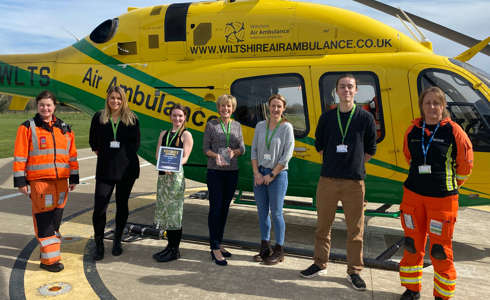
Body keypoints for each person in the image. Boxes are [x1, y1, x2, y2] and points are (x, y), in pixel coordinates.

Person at [300, 74, 377, 291]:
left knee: (355, 230)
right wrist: (336, 163)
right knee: (323, 226)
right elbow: (320, 145)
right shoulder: (327, 118)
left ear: (356, 91)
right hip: (328, 180)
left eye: (350, 87)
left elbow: (371, 150)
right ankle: (319, 263)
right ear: (336, 91)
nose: (346, 90)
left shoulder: (365, 118)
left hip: (354, 183)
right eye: (342, 87)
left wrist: (352, 164)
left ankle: (354, 271)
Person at [398, 87, 473, 300]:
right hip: (413, 197)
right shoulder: (412, 131)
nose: (432, 107)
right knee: (412, 244)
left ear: (443, 106)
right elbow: (409, 157)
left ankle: (442, 295)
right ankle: (412, 289)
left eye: (436, 103)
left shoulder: (454, 131)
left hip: (442, 201)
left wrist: (448, 185)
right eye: (428, 103)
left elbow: (465, 166)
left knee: (440, 249)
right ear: (422, 106)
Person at [13, 90, 79, 272]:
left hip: (61, 183)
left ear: (54, 106)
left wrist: (74, 177)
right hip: (41, 183)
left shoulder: (65, 128)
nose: (45, 108)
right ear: (37, 106)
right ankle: (49, 261)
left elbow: (72, 155)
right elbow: (20, 156)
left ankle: (47, 252)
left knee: (56, 219)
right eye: (42, 104)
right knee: (45, 222)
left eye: (48, 105)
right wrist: (20, 181)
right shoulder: (27, 127)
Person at [89, 86, 140, 260]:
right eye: (112, 98)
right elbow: (93, 143)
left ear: (123, 100)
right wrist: (108, 155)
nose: (115, 101)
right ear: (107, 99)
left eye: (119, 98)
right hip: (105, 169)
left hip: (127, 170)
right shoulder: (99, 117)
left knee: (122, 205)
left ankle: (117, 240)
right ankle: (99, 243)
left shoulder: (132, 119)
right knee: (100, 207)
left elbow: (135, 145)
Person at [251, 94, 295, 265]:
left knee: (276, 213)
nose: (275, 109)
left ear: (283, 109)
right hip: (260, 174)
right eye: (273, 106)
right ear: (268, 107)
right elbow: (254, 151)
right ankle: (264, 247)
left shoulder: (287, 128)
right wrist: (257, 173)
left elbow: (286, 156)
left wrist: (271, 175)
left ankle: (279, 250)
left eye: (279, 106)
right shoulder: (260, 126)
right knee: (262, 213)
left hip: (277, 175)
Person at [203, 94, 245, 266]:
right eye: (222, 106)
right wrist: (217, 156)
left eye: (228, 106)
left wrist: (234, 152)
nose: (225, 109)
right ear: (218, 108)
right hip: (215, 172)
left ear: (232, 108)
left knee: (225, 208)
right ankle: (214, 248)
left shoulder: (237, 125)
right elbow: (205, 149)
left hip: (231, 171)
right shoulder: (211, 125)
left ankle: (218, 243)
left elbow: (242, 147)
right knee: (216, 208)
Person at [152, 104, 193, 262]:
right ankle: (169, 246)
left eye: (180, 116)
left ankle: (175, 250)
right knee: (166, 212)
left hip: (175, 177)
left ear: (185, 118)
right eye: (175, 115)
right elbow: (158, 154)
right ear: (170, 116)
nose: (177, 119)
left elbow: (185, 157)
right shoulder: (164, 133)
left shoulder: (186, 135)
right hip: (163, 177)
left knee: (175, 213)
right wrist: (164, 165)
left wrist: (173, 166)